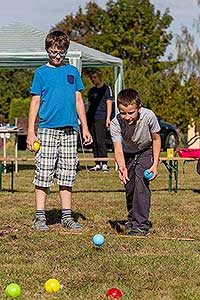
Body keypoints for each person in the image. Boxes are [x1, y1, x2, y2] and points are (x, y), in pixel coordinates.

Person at [26, 30, 92, 231]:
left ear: (66, 51)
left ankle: (66, 216)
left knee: (67, 173)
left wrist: (85, 128)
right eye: (53, 52)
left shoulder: (72, 72)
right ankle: (40, 217)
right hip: (47, 129)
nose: (57, 56)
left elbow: (79, 100)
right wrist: (31, 131)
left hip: (70, 130)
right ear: (47, 50)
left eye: (61, 52)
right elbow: (35, 102)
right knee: (44, 173)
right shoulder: (41, 73)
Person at [110, 88, 161, 236]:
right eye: (123, 112)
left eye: (131, 112)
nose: (127, 117)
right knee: (130, 186)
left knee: (140, 181)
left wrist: (155, 164)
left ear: (138, 108)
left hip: (146, 150)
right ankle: (132, 219)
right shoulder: (115, 123)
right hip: (127, 153)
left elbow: (157, 139)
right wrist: (121, 167)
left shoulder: (149, 116)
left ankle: (141, 225)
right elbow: (117, 149)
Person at [86, 70, 113, 172]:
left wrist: (108, 118)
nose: (93, 80)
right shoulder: (92, 90)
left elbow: (109, 103)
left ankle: (104, 163)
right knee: (94, 142)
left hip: (101, 117)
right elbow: (89, 104)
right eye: (92, 78)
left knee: (101, 140)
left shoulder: (106, 88)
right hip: (91, 118)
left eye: (94, 77)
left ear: (99, 77)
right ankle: (97, 163)